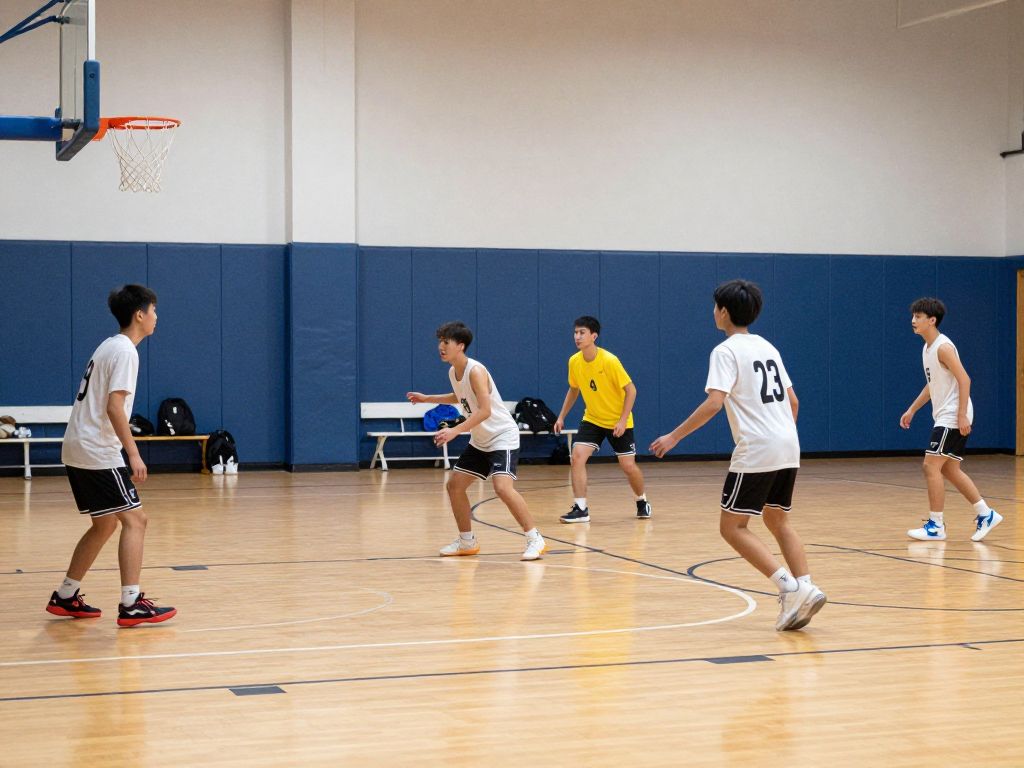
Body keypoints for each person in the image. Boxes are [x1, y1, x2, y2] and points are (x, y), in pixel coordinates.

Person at [650, 280, 825, 631]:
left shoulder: (725, 351)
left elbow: (715, 401)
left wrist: (673, 436)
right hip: (789, 445)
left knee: (732, 527)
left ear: (724, 312)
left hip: (758, 447)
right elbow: (793, 402)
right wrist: (780, 434)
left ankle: (789, 589)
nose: (712, 312)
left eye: (715, 307)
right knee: (778, 521)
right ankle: (807, 586)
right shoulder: (768, 347)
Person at [45, 285, 177, 627]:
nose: (156, 317)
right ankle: (131, 603)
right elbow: (114, 406)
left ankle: (65, 595)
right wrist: (134, 453)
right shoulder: (125, 352)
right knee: (136, 520)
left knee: (104, 524)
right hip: (97, 451)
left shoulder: (109, 345)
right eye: (154, 311)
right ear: (140, 315)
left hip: (78, 446)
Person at [407, 321, 547, 561]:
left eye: (446, 342)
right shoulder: (454, 371)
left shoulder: (476, 370)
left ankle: (535, 538)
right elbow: (460, 396)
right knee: (454, 486)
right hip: (481, 440)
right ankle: (466, 542)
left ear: (460, 346)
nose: (441, 346)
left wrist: (454, 431)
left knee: (503, 488)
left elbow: (484, 411)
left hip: (502, 436)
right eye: (440, 341)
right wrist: (427, 398)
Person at [900, 297, 1001, 542]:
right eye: (913, 316)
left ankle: (936, 525)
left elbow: (965, 379)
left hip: (953, 415)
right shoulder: (927, 348)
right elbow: (931, 385)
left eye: (918, 317)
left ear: (932, 320)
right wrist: (912, 409)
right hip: (947, 414)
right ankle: (985, 513)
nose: (913, 321)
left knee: (930, 466)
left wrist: (961, 414)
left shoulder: (943, 347)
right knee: (950, 469)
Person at [553, 316, 651, 523]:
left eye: (582, 333)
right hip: (593, 419)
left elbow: (631, 390)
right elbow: (573, 389)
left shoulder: (609, 361)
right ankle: (581, 508)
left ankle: (641, 500)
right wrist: (561, 416)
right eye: (575, 332)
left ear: (594, 336)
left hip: (618, 421)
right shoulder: (574, 361)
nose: (577, 337)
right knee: (577, 456)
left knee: (628, 466)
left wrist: (623, 420)